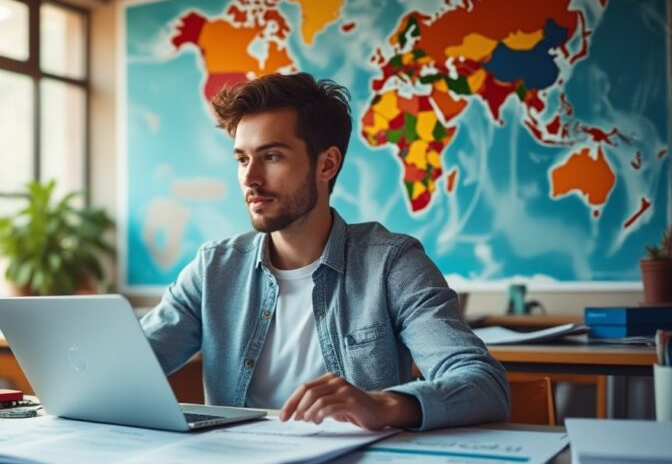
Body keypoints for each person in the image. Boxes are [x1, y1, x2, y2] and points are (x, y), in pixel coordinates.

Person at [140, 72, 509, 431]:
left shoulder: (391, 264)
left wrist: (384, 404)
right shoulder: (214, 268)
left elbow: (483, 384)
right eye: (242, 159)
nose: (250, 178)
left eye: (271, 157)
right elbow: (129, 366)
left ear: (327, 164)